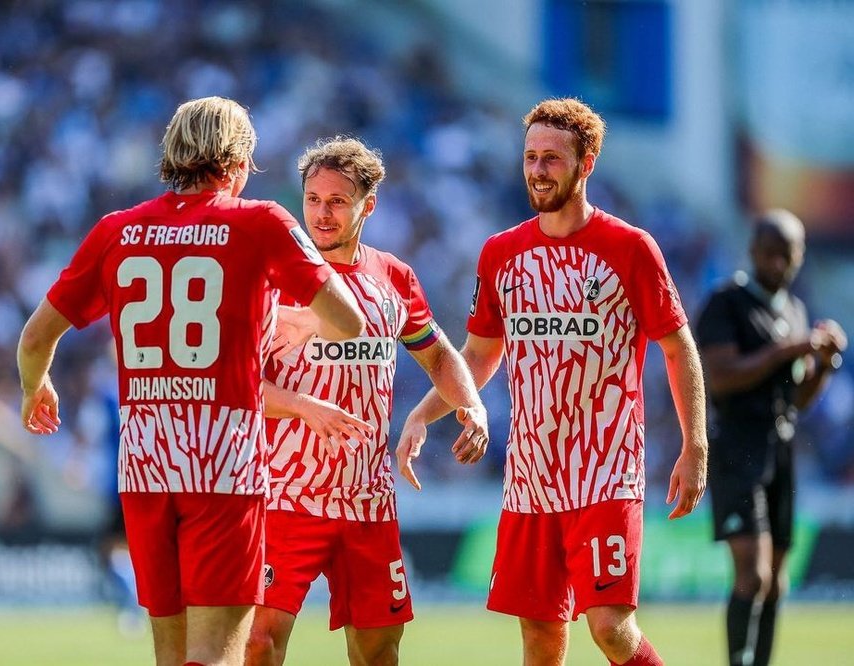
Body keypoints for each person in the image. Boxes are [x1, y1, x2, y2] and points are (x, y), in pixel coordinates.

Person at [16, 97, 366, 666]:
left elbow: (34, 340)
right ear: (237, 161)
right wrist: (293, 314)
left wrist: (36, 388)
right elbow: (348, 319)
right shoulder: (261, 221)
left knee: (170, 656)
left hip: (146, 463)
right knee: (216, 655)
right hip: (222, 461)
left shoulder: (116, 230)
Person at [398, 98, 708, 666]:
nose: (537, 170)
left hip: (606, 468)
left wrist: (695, 445)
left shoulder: (630, 248)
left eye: (552, 159)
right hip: (531, 476)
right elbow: (479, 356)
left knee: (611, 628)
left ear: (585, 164)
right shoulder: (502, 253)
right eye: (530, 157)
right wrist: (425, 414)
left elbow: (677, 346)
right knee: (541, 639)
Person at [245, 137, 489, 666]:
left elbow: (442, 356)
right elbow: (239, 387)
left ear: (368, 205)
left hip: (367, 500)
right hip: (286, 494)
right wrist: (304, 405)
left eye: (337, 200)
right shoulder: (272, 276)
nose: (322, 213)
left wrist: (471, 405)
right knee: (259, 640)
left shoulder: (393, 278)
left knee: (378, 650)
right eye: (313, 199)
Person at [696, 209, 846, 666]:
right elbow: (720, 378)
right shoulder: (728, 302)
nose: (778, 263)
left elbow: (797, 398)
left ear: (799, 256)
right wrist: (792, 348)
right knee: (753, 574)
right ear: (753, 251)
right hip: (736, 447)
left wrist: (821, 364)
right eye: (770, 252)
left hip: (778, 447)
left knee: (777, 579)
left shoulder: (795, 311)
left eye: (787, 254)